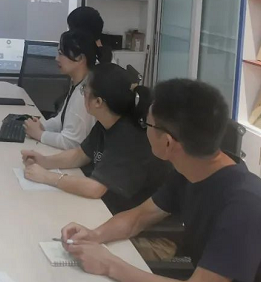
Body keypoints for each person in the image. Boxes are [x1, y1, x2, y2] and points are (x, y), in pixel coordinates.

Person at [59, 79, 261, 282]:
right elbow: (139, 217)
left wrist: (109, 265)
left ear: (167, 142)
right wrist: (94, 235)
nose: (143, 130)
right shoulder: (191, 170)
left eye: (147, 124)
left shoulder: (245, 204)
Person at [21, 63, 171, 213]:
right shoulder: (106, 121)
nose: (83, 95)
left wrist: (47, 177)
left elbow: (95, 189)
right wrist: (44, 161)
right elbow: (80, 154)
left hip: (129, 212)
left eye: (84, 90)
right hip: (109, 204)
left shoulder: (128, 136)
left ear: (98, 102)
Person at [24, 30, 106, 149]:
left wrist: (39, 134)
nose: (56, 58)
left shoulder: (85, 92)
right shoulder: (78, 82)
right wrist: (42, 126)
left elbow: (71, 142)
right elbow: (61, 120)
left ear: (80, 58)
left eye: (61, 53)